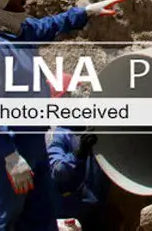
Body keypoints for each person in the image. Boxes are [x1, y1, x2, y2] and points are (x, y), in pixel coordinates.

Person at [0, 0, 126, 231]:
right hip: (14, 146)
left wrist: (85, 12)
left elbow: (50, 25)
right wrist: (10, 156)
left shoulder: (18, 32)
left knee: (41, 218)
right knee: (1, 218)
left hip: (36, 139)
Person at [47, 74, 113, 230]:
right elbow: (58, 173)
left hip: (97, 207)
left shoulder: (93, 126)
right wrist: (77, 154)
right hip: (69, 211)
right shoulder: (57, 135)